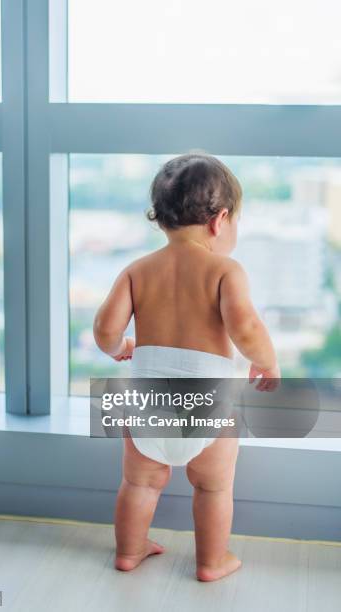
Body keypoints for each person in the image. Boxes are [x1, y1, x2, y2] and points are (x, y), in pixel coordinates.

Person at [93, 151, 280, 582]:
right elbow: (246, 326)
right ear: (220, 221)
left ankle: (129, 550)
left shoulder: (137, 270)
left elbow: (104, 328)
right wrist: (267, 363)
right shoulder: (225, 270)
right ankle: (211, 562)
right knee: (213, 486)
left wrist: (121, 346)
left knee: (139, 483)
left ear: (161, 219)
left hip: (147, 397)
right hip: (208, 401)